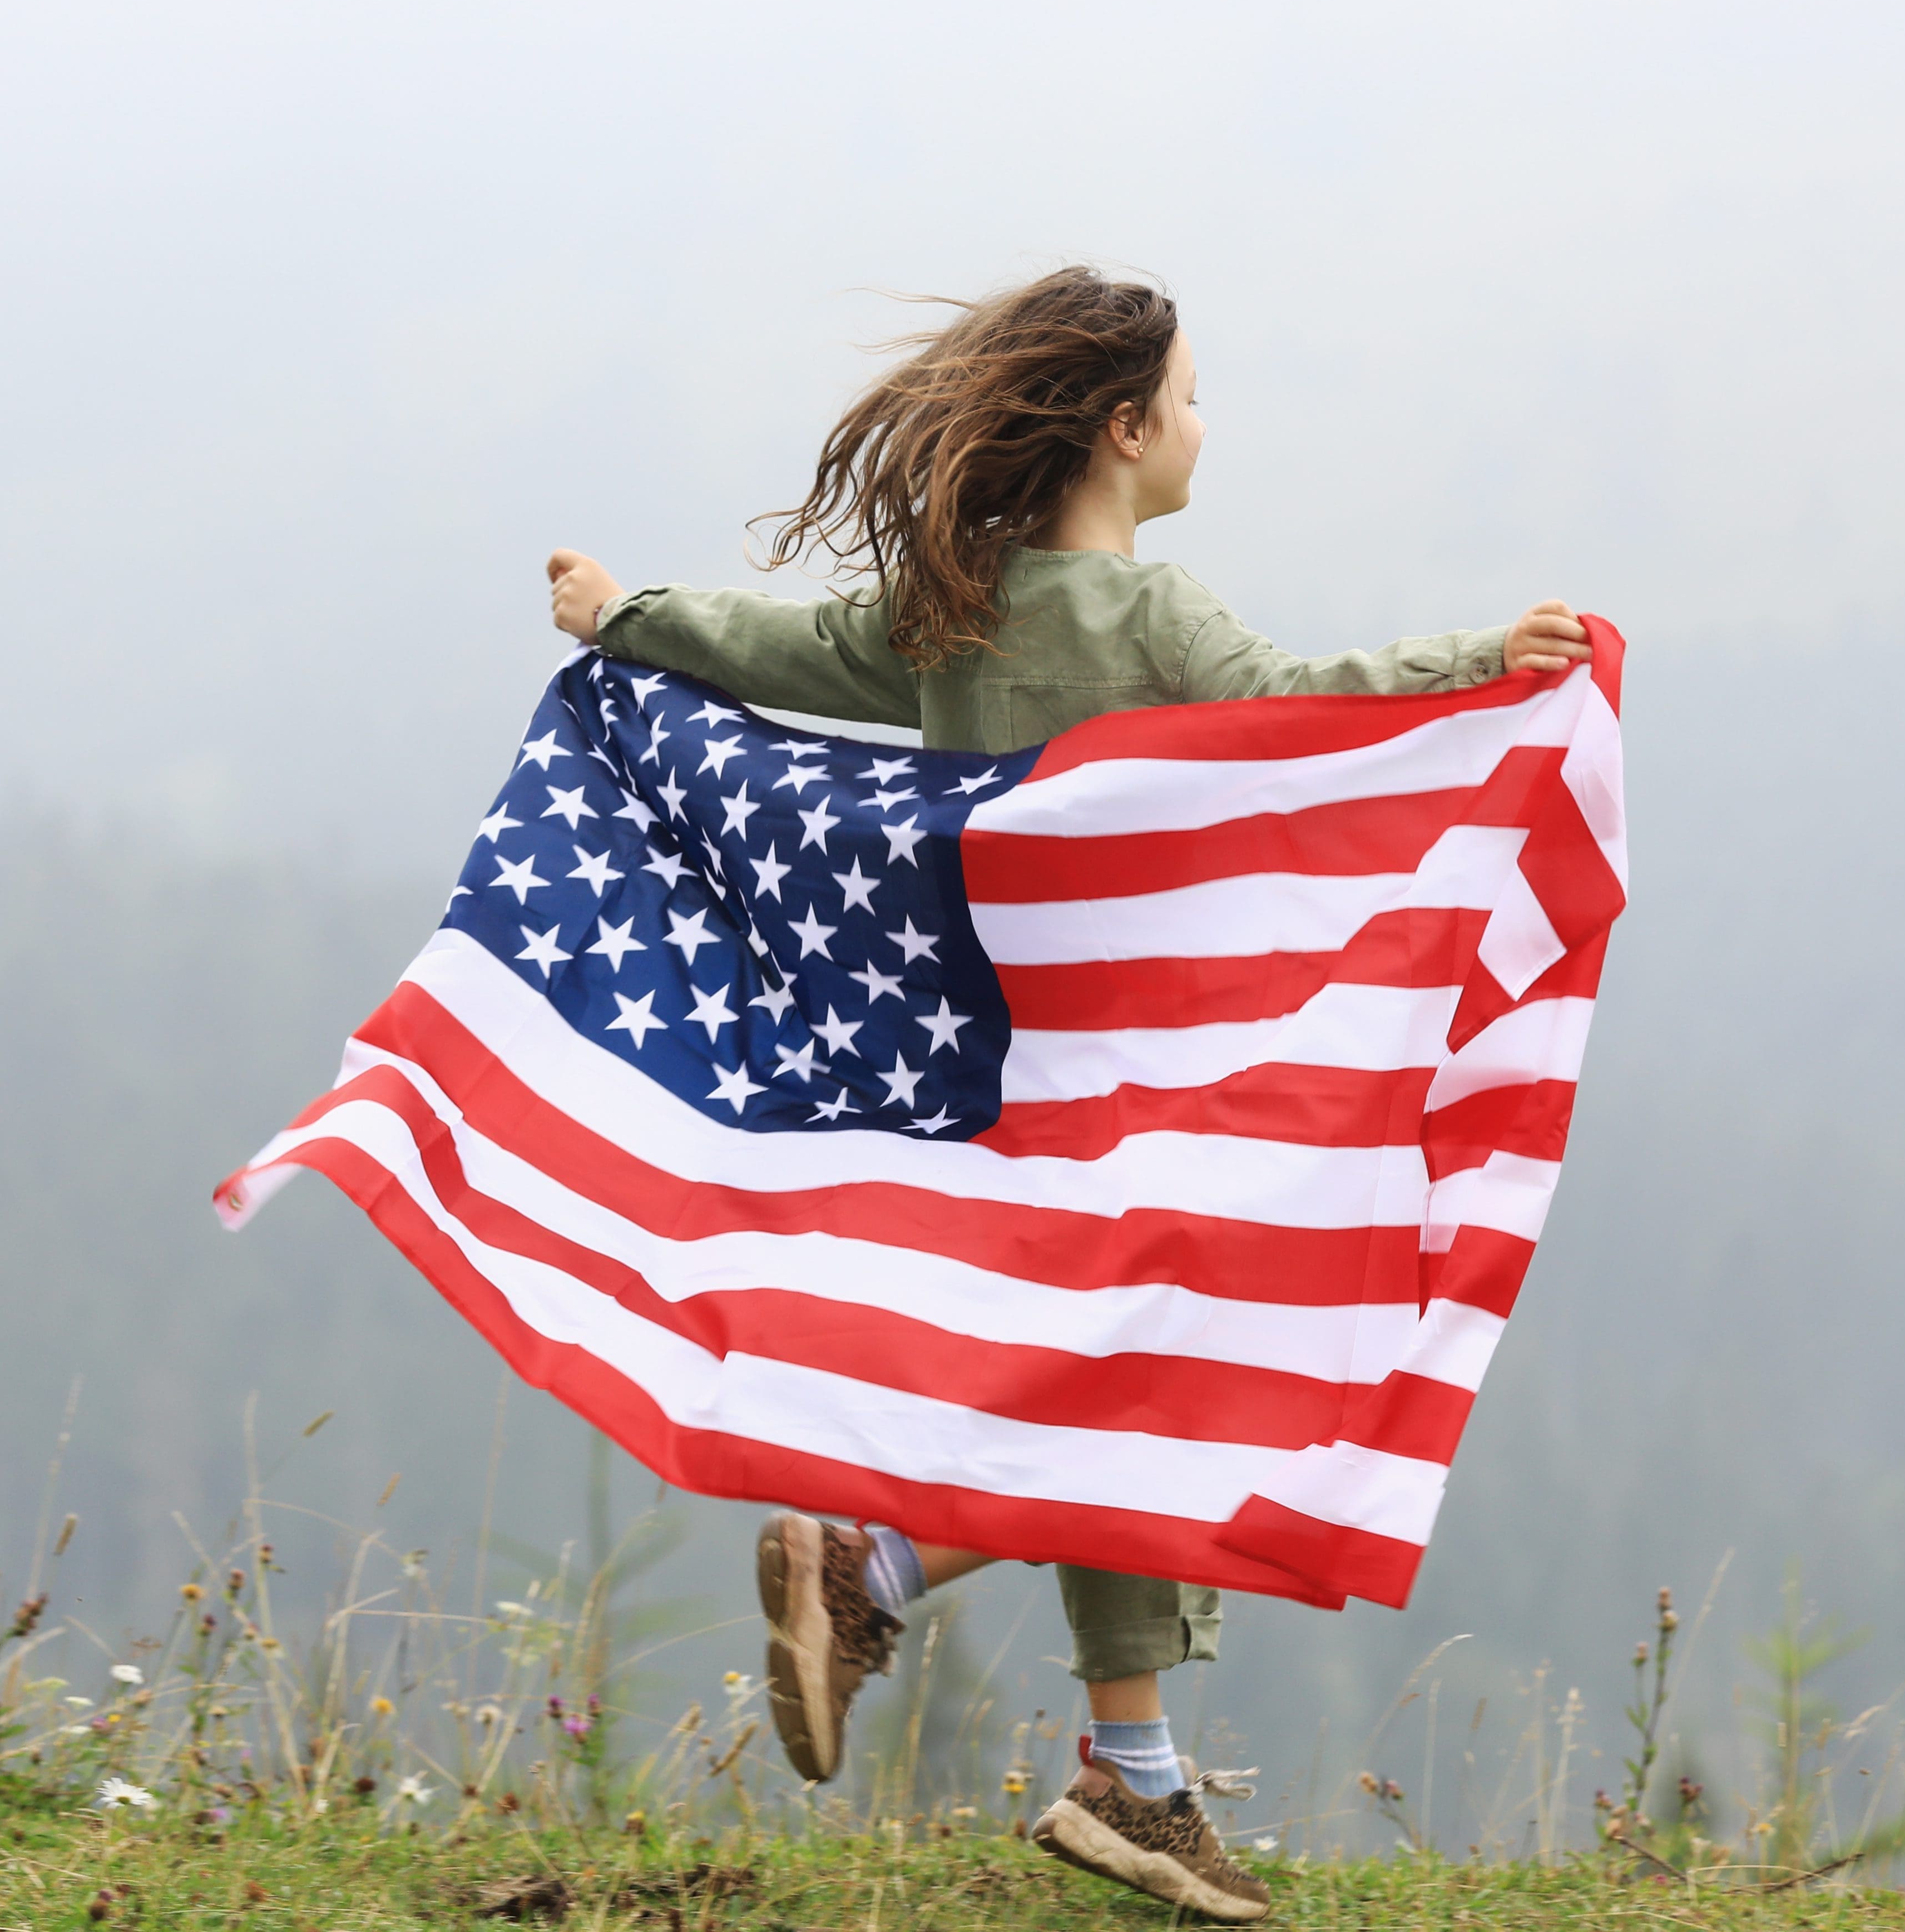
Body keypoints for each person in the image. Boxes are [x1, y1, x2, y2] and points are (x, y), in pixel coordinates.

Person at [541, 265, 1590, 1923]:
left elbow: (775, 651)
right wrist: (1491, 661)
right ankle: (877, 1567)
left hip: (990, 1069)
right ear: (1122, 431)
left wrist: (626, 619)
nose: (1199, 424)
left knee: (1126, 1391)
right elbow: (1314, 709)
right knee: (1145, 1388)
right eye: (1185, 397)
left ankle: (1132, 1775)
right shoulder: (1152, 623)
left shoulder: (944, 618)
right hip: (1135, 1083)